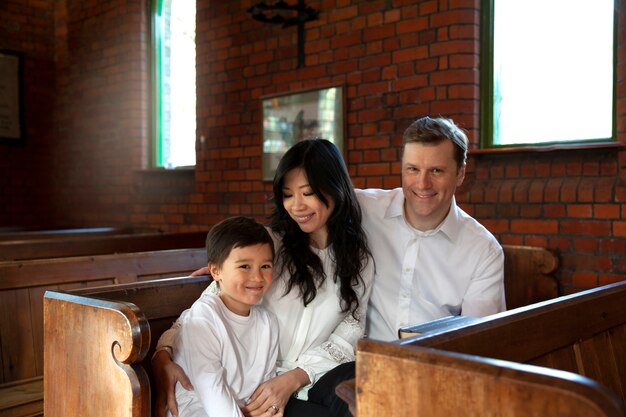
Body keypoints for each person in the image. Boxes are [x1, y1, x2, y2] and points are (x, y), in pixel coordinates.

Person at [153, 139, 375, 417]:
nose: (297, 206)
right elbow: (210, 306)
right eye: (288, 194)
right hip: (257, 385)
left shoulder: (358, 258)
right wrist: (162, 354)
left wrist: (296, 376)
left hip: (312, 373)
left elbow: (351, 327)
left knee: (366, 392)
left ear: (333, 188)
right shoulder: (270, 245)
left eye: (307, 193)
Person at [357, 116, 505, 341]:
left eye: (436, 171)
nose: (422, 183)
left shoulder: (483, 251)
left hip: (433, 368)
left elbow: (480, 341)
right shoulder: (364, 209)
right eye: (413, 169)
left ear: (460, 173)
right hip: (357, 365)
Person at [168, 216, 280, 417]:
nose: (257, 277)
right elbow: (212, 391)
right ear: (216, 271)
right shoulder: (204, 319)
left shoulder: (268, 322)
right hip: (197, 410)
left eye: (265, 266)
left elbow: (264, 384)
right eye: (245, 266)